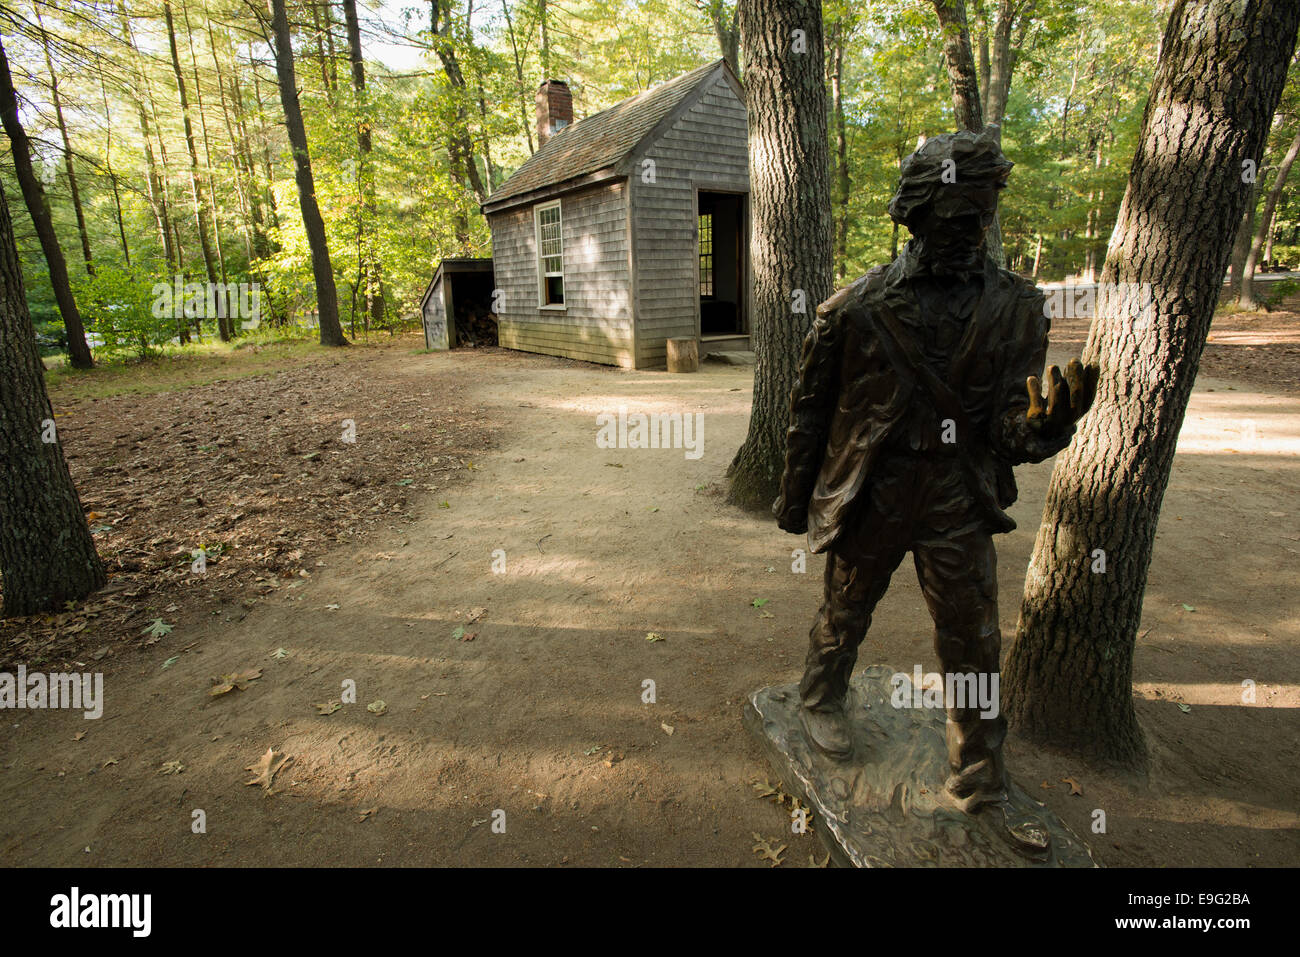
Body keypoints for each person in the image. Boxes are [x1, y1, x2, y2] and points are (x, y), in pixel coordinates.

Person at [772, 126, 1095, 839]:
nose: (974, 232)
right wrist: (796, 501)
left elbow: (1007, 419)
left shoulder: (1018, 308)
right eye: (958, 219)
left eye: (983, 216)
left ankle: (980, 775)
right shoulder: (852, 311)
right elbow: (810, 415)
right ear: (916, 216)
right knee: (848, 607)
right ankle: (820, 696)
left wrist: (1042, 429)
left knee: (974, 637)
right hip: (878, 487)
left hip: (956, 494)